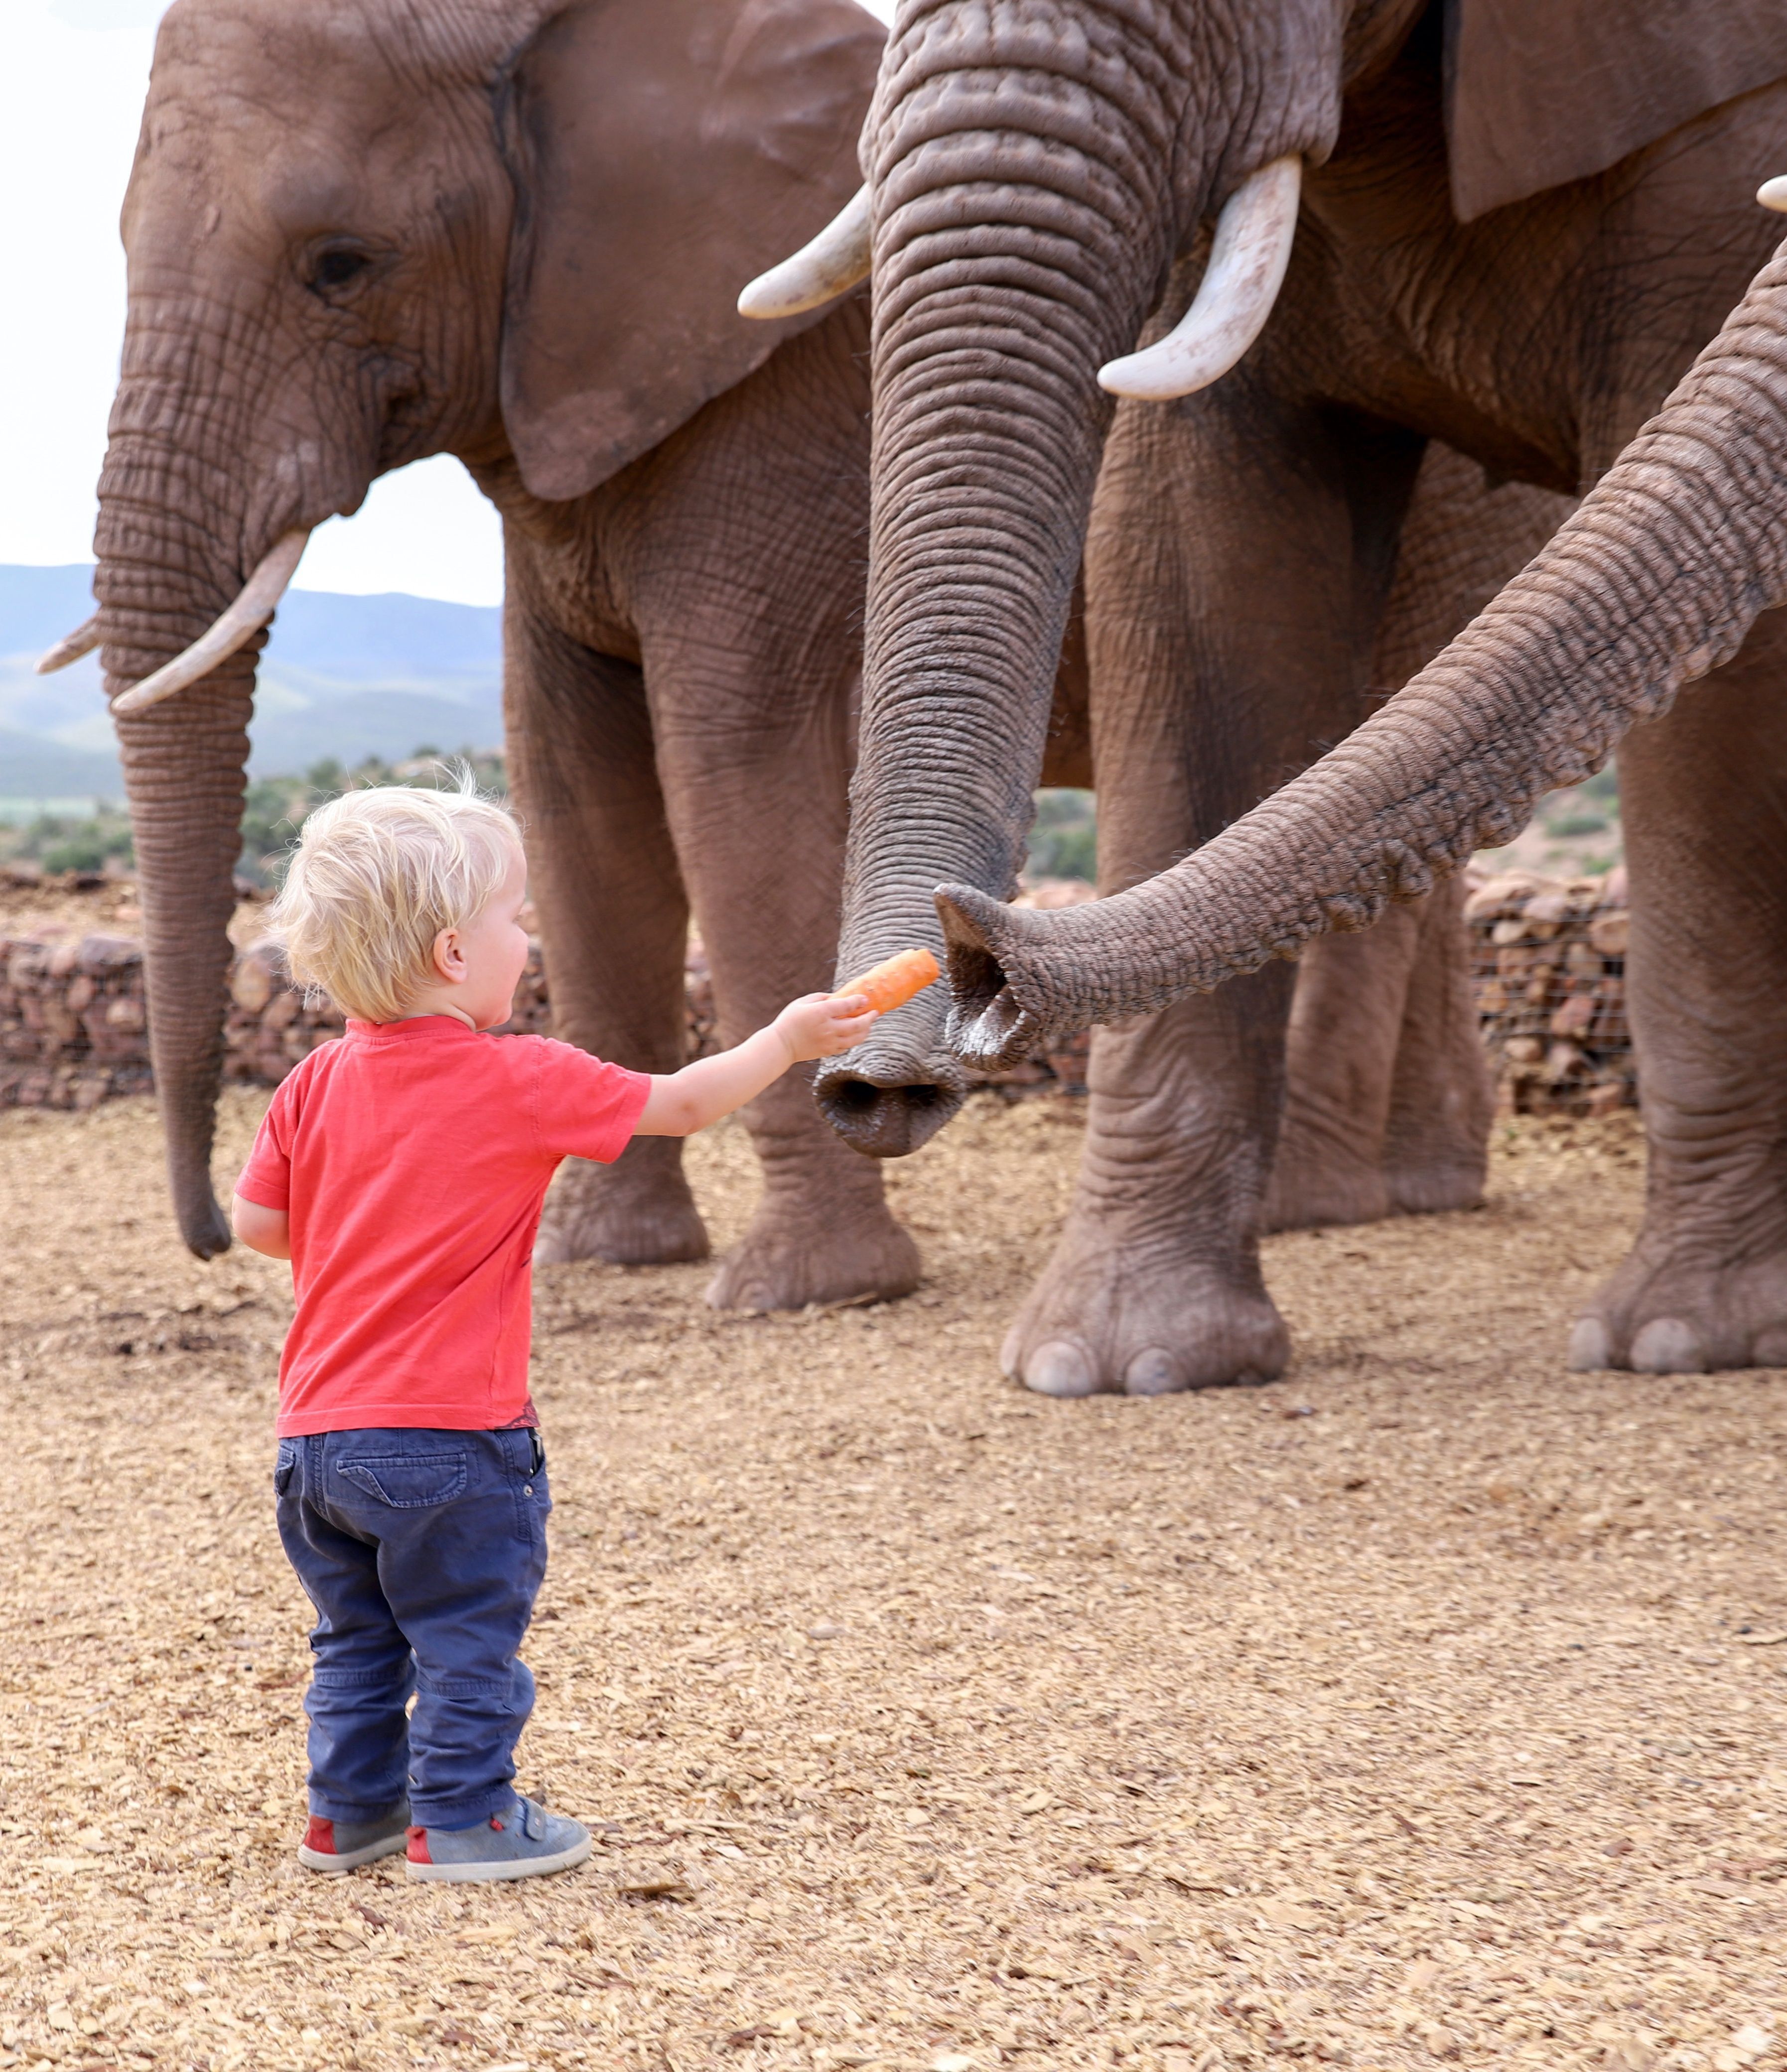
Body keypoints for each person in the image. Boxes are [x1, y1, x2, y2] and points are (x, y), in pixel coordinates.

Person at [232, 779, 875, 1882]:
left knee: (357, 1638)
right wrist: (783, 1036)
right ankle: (467, 1819)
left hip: (315, 1444)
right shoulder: (519, 1078)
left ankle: (349, 1817)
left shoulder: (311, 1085)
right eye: (515, 918)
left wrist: (372, 1247)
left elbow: (259, 1228)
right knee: (466, 1636)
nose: (524, 940)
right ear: (451, 952)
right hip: (451, 1439)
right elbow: (677, 1105)